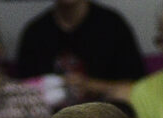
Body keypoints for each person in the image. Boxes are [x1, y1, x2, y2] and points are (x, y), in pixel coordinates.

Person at [16, 0, 145, 104]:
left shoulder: (113, 26)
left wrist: (92, 86)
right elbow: (20, 94)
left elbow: (137, 90)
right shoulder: (34, 33)